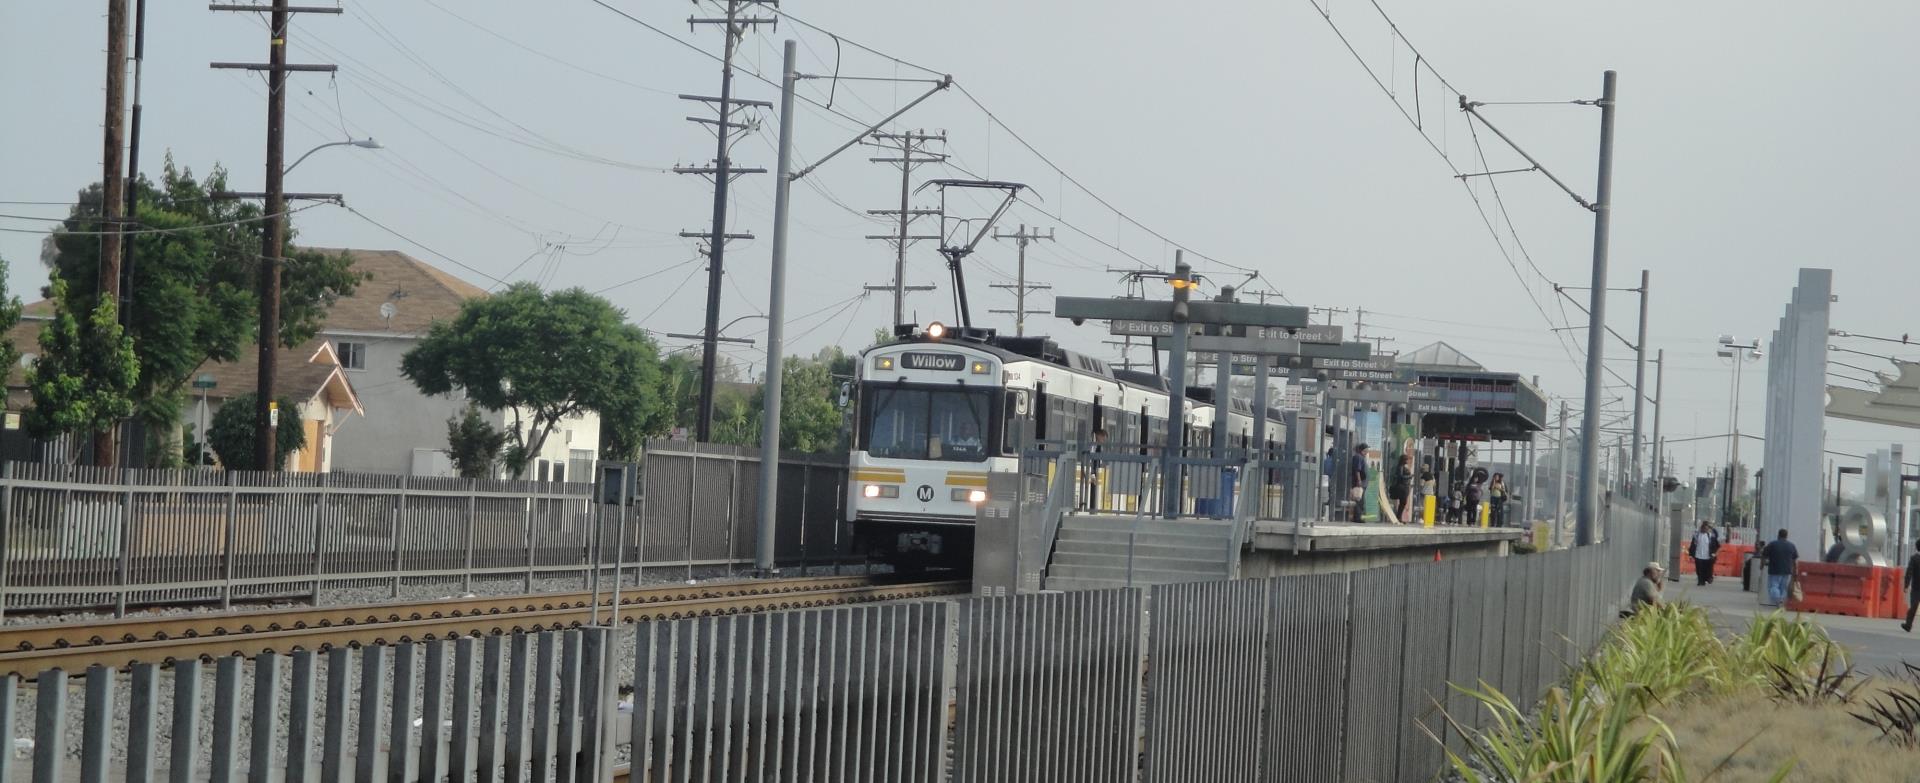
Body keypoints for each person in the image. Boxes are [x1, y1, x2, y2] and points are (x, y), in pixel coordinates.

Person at [1760, 528, 1800, 606]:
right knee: (1783, 588)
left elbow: (1764, 556)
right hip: (1787, 571)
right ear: (1786, 536)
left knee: (1773, 586)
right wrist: (1795, 571)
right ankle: (1781, 601)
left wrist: (1762, 565)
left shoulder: (1772, 544)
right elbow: (1794, 560)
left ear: (1778, 535)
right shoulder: (1791, 545)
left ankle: (1778, 599)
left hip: (1774, 570)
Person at [1691, 521, 1721, 586]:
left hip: (1708, 556)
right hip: (1698, 555)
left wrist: (1714, 553)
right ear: (1701, 528)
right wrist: (1691, 554)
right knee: (1699, 570)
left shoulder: (1710, 536)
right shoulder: (1697, 535)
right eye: (1703, 528)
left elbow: (1716, 545)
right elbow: (1693, 545)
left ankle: (1708, 578)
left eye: (1706, 528)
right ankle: (1700, 581)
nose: (1705, 529)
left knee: (1707, 570)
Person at [1389, 454, 1414, 524]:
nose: (1407, 461)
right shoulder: (1400, 467)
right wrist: (1410, 476)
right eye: (1406, 459)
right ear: (1403, 460)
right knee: (1403, 502)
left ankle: (1399, 517)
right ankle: (1398, 517)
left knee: (1403, 503)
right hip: (1401, 487)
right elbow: (1400, 477)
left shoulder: (1402, 467)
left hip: (1404, 486)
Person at [1903, 538, 1920, 633]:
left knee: (1913, 606)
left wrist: (1906, 585)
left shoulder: (1914, 558)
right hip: (1916, 588)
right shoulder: (1914, 558)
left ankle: (1908, 625)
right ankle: (1908, 625)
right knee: (1913, 606)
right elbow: (1909, 572)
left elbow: (1909, 572)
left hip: (1916, 588)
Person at [1349, 443, 1369, 523]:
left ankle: (1358, 516)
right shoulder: (1358, 457)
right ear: (1362, 450)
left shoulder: (1361, 457)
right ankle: (1358, 517)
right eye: (1366, 450)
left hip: (1363, 483)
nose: (1367, 452)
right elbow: (1357, 470)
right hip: (1360, 483)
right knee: (1359, 500)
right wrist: (1359, 480)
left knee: (1360, 500)